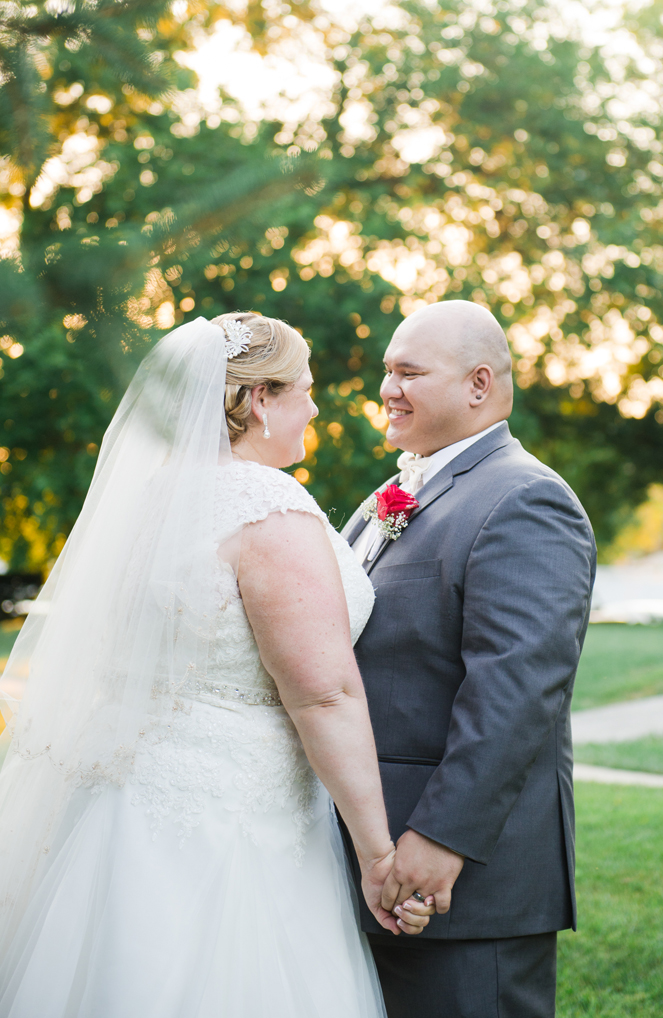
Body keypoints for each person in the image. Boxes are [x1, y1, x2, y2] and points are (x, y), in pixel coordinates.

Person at [0, 312, 432, 1018]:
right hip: (232, 824)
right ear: (259, 400)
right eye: (305, 389)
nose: (317, 407)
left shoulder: (149, 501)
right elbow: (323, 696)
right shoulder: (263, 505)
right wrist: (376, 852)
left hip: (125, 808)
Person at [341, 300, 596, 1018]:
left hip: (459, 877)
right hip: (379, 858)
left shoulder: (525, 499)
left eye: (409, 372)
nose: (388, 388)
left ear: (478, 385)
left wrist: (440, 838)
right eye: (387, 371)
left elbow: (516, 692)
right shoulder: (394, 492)